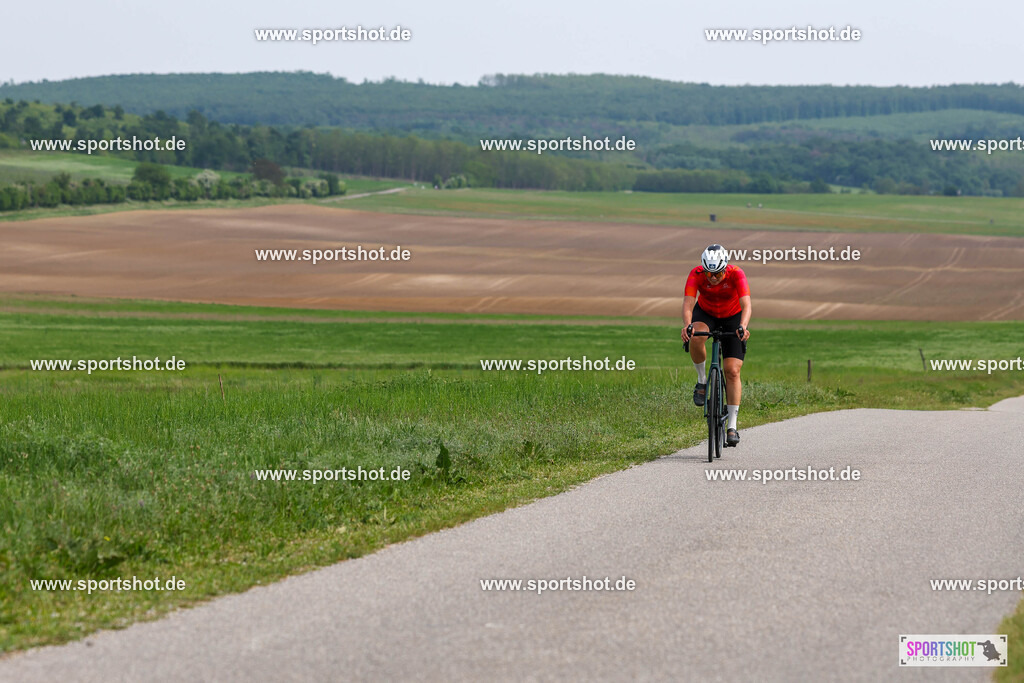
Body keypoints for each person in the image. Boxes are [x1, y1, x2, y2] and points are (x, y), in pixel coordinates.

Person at [681, 244, 751, 445]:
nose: (713, 277)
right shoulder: (696, 274)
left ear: (725, 267)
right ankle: (702, 380)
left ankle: (732, 427)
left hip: (732, 316)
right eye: (709, 273)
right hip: (707, 313)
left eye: (718, 273)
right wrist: (687, 326)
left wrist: (743, 327)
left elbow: (746, 304)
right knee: (695, 336)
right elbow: (688, 304)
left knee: (732, 371)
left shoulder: (737, 274)